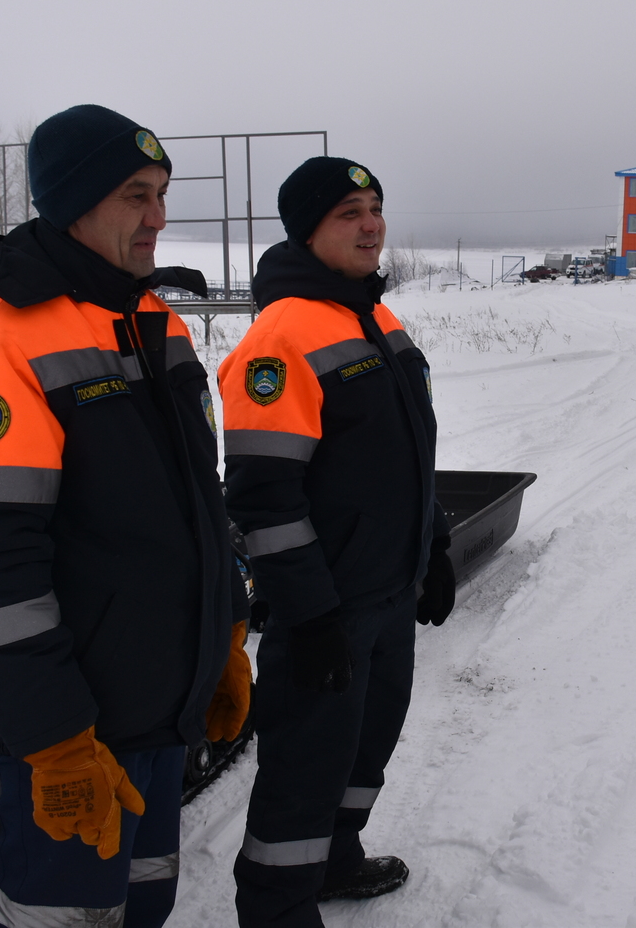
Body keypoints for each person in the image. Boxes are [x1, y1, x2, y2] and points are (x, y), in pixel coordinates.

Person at [0, 104, 252, 927]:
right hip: (73, 734)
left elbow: (194, 510)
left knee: (143, 902)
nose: (159, 218)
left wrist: (224, 638)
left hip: (157, 713)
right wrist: (54, 738)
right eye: (136, 195)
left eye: (162, 193)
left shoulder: (151, 323)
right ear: (73, 203)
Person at [219, 156, 455, 927]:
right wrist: (310, 616)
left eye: (376, 207)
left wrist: (436, 547)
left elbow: (407, 455)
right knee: (305, 769)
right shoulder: (279, 337)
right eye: (349, 211)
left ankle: (336, 859)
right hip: (328, 605)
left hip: (389, 590)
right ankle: (278, 907)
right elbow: (265, 497)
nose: (371, 224)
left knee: (364, 751)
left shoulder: (377, 318)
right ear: (308, 229)